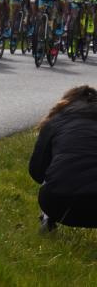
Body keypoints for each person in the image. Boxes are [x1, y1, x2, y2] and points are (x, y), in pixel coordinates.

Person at [29, 85, 97, 232]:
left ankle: (48, 220)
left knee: (50, 167)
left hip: (57, 204)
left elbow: (37, 172)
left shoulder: (55, 121)